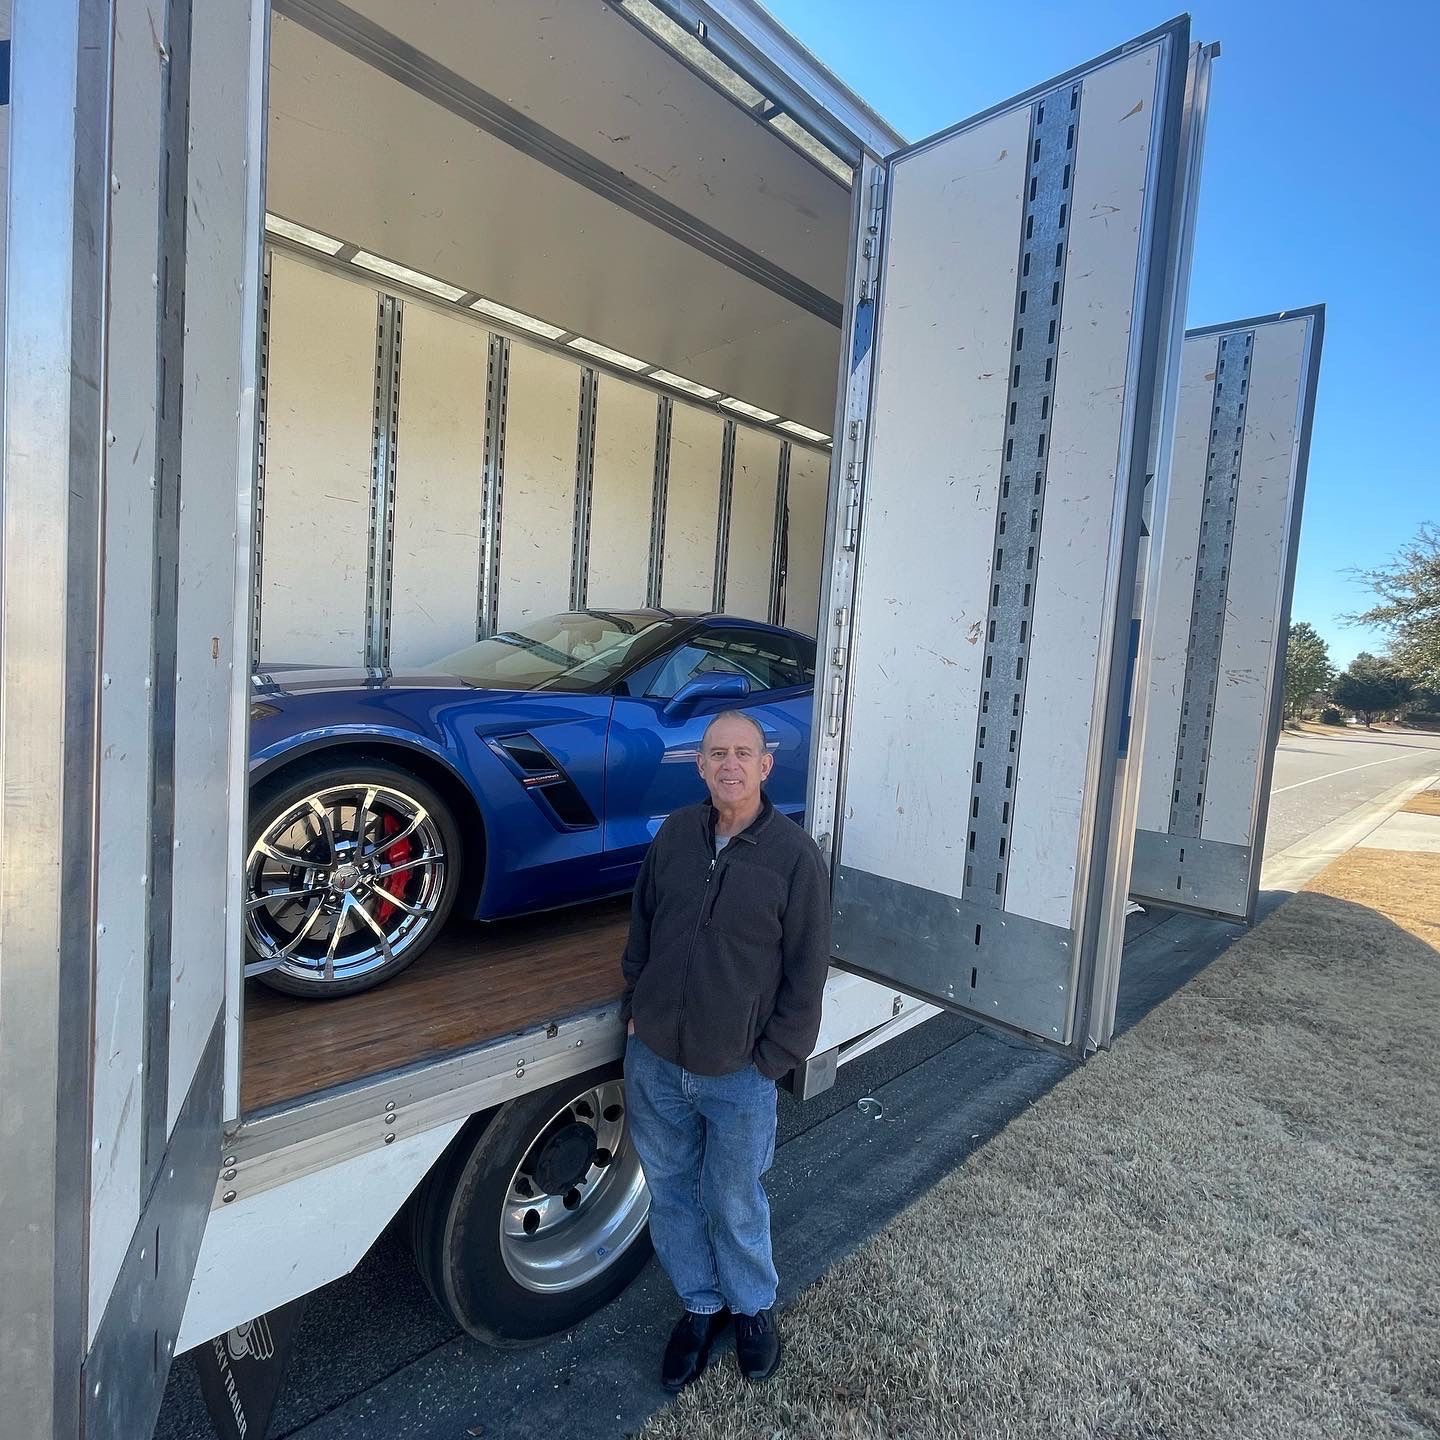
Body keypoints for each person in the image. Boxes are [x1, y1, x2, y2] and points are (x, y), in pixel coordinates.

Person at [620, 708, 831, 1391]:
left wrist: (773, 1058)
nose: (730, 764)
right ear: (701, 765)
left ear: (765, 767)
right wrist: (636, 1008)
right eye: (718, 753)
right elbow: (643, 924)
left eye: (744, 753)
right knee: (673, 1192)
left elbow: (806, 971)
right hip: (655, 1059)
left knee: (735, 1196)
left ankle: (751, 1309)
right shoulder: (677, 834)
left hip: (739, 1072)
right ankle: (699, 1304)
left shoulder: (795, 857)